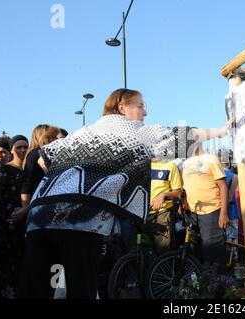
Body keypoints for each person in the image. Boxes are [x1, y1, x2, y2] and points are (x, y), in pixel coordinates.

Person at [17, 88, 232, 298]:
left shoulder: (83, 131)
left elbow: (41, 157)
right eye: (140, 106)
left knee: (35, 289)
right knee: (79, 289)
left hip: (40, 218)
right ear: (122, 108)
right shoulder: (135, 130)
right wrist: (221, 132)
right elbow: (185, 136)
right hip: (80, 220)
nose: (145, 113)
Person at [0, 135, 28, 298]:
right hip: (6, 227)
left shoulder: (29, 171)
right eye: (18, 147)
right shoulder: (3, 171)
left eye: (25, 146)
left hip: (25, 226)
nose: (22, 150)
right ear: (12, 149)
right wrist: (9, 218)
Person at [182, 143, 229, 273]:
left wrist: (224, 213)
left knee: (214, 255)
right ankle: (201, 287)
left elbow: (223, 186)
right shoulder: (186, 163)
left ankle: (218, 288)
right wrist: (184, 202)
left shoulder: (211, 159)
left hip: (212, 212)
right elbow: (185, 186)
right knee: (196, 253)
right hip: (192, 213)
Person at [9, 124, 60, 226]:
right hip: (37, 208)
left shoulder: (36, 153)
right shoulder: (38, 153)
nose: (56, 140)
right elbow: (28, 184)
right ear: (43, 137)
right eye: (53, 137)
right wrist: (26, 209)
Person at [146, 157, 182, 255]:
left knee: (164, 252)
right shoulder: (142, 165)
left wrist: (164, 195)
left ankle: (165, 269)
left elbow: (178, 191)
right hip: (141, 214)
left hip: (162, 213)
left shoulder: (170, 165)